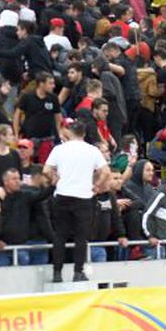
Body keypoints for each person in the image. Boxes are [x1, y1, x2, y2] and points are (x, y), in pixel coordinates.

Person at [42, 121, 108, 282]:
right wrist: (96, 186)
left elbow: (45, 170)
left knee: (60, 235)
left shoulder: (59, 149)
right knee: (81, 237)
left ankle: (57, 273)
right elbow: (105, 171)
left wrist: (55, 180)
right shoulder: (92, 150)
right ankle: (78, 272)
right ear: (84, 134)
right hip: (84, 197)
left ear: (70, 132)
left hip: (63, 195)